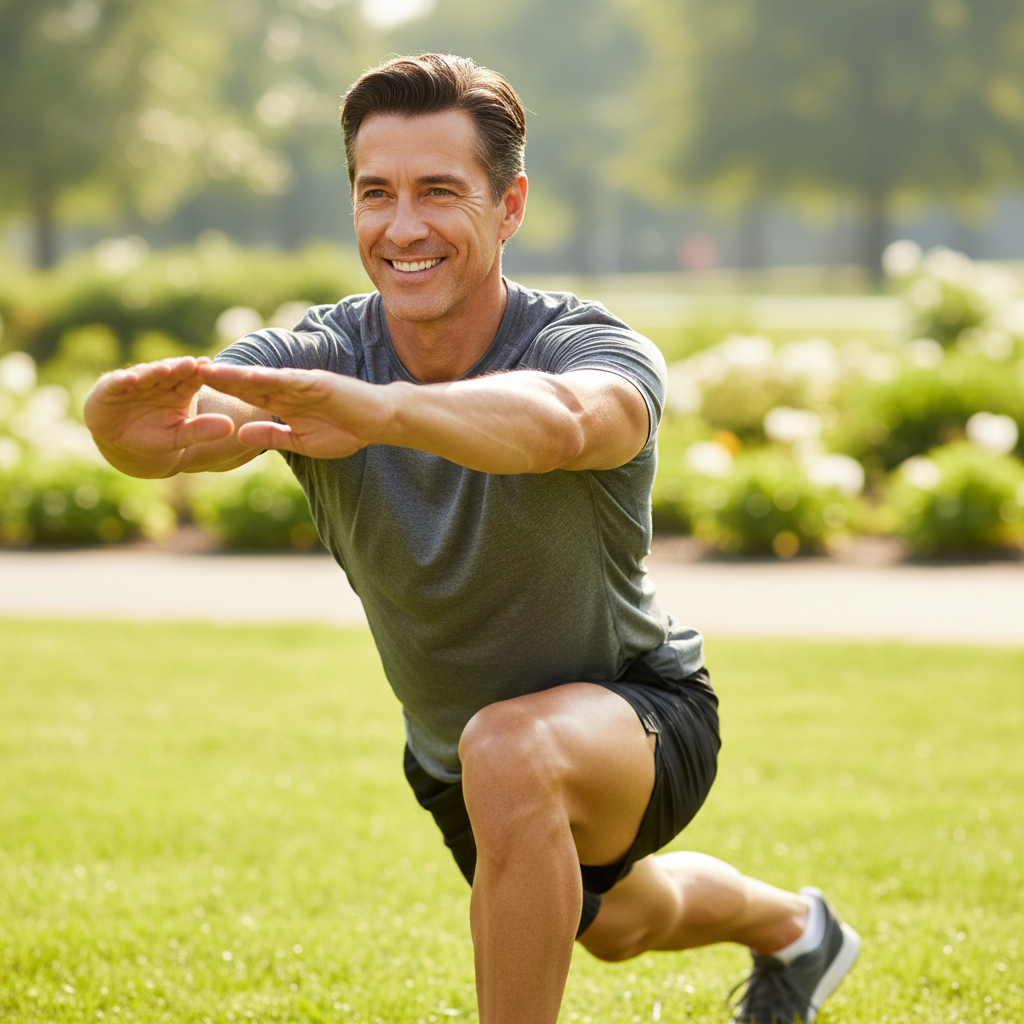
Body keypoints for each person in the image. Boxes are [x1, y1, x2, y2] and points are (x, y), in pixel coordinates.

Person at [84, 53, 859, 1024]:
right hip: (454, 758)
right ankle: (796, 928)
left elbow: (570, 423)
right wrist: (122, 429)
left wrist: (384, 414)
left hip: (641, 711)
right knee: (614, 919)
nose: (401, 227)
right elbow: (180, 432)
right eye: (377, 193)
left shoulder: (587, 345)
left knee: (512, 749)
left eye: (438, 191)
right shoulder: (317, 353)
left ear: (511, 205)